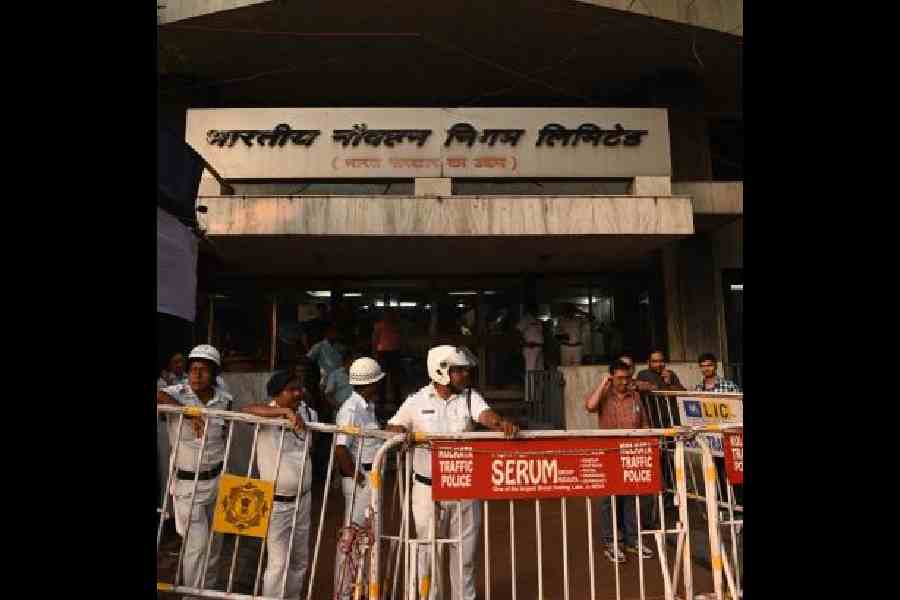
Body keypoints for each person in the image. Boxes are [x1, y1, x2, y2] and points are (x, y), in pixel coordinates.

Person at [386, 345, 518, 600]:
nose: (466, 375)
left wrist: (500, 424)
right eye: (459, 371)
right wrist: (400, 434)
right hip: (427, 489)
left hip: (464, 488)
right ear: (442, 371)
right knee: (428, 553)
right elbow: (393, 425)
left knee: (465, 555)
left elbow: (486, 415)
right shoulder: (416, 401)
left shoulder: (470, 397)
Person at [156, 344, 234, 591]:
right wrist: (187, 413)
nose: (197, 375)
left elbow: (224, 433)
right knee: (196, 545)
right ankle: (192, 595)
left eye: (204, 370)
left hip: (217, 479)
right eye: (193, 369)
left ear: (214, 374)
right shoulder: (176, 393)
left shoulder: (224, 399)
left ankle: (207, 592)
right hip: (187, 484)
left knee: (215, 543)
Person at [239, 371, 314, 600]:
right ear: (277, 393)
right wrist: (283, 412)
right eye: (291, 389)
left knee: (299, 559)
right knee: (278, 562)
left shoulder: (308, 412)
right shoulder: (266, 413)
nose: (297, 393)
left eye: (299, 388)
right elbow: (245, 410)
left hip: (303, 498)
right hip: (275, 502)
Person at [584, 359, 654, 563]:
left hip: (631, 452)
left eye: (627, 377)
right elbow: (589, 406)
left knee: (632, 497)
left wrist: (647, 444)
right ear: (612, 376)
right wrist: (603, 383)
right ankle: (611, 542)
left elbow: (644, 423)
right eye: (619, 378)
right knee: (609, 500)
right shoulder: (604, 395)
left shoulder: (635, 396)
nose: (624, 382)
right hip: (609, 453)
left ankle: (633, 541)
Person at [333, 357, 386, 600]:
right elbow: (341, 449)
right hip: (361, 478)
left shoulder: (367, 406)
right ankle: (345, 593)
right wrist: (360, 479)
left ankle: (360, 589)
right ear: (370, 384)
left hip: (369, 476)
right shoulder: (351, 409)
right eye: (377, 382)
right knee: (351, 536)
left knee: (365, 536)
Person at [372, 308, 404, 403]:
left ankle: (396, 399)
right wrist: (374, 353)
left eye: (390, 314)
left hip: (394, 352)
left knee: (395, 378)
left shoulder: (396, 326)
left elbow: (400, 339)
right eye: (386, 314)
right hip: (383, 353)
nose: (388, 316)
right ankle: (382, 399)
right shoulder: (379, 326)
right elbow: (375, 340)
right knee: (382, 379)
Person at [516, 303, 545, 378]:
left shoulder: (538, 320)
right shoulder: (526, 318)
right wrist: (524, 343)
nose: (537, 310)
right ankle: (530, 388)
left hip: (539, 348)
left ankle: (538, 389)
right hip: (530, 348)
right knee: (530, 370)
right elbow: (517, 332)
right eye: (534, 308)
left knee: (539, 371)